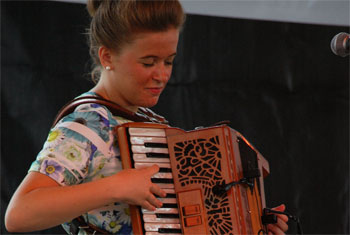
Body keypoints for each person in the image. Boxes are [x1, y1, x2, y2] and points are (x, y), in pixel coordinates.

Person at [5, 0, 289, 234]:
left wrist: (254, 223)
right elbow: (19, 214)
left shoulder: (148, 122)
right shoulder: (89, 125)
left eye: (168, 61)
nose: (161, 75)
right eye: (148, 62)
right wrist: (115, 187)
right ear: (107, 57)